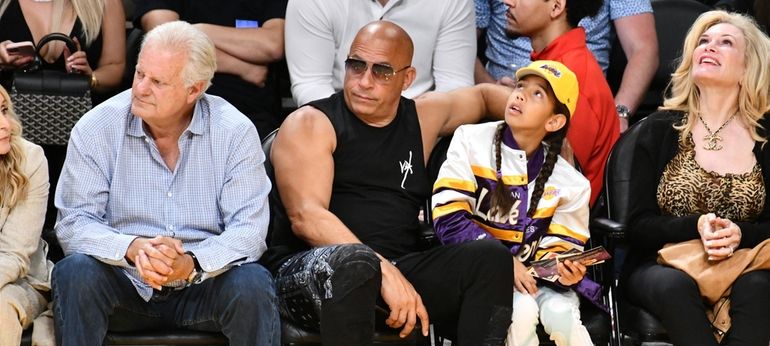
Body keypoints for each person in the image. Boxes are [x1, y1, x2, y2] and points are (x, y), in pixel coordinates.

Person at [266, 20, 514, 346]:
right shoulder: (311, 122)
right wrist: (381, 268)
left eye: (381, 71)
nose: (363, 80)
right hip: (309, 274)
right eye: (356, 65)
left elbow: (484, 98)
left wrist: (546, 115)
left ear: (406, 78)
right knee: (355, 264)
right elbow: (306, 216)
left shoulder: (421, 117)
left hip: (395, 269)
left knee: (489, 260)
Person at [43, 21, 292, 346]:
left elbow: (250, 231)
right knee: (74, 271)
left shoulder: (234, 131)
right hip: (123, 285)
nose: (141, 87)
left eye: (158, 81)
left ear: (195, 88)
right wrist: (133, 249)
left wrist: (192, 264)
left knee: (254, 280)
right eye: (140, 74)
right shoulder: (98, 126)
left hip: (203, 286)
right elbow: (72, 223)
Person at [432, 60, 620, 346]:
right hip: (480, 277)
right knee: (516, 311)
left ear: (554, 121)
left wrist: (564, 267)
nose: (519, 95)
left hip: (538, 281)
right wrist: (502, 262)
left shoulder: (571, 183)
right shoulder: (469, 139)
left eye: (537, 94)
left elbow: (560, 246)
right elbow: (447, 218)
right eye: (521, 86)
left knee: (558, 313)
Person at [625, 11, 770, 346]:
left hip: (746, 264)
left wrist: (741, 235)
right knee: (671, 285)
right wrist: (694, 225)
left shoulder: (766, 138)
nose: (708, 46)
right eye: (703, 40)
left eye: (725, 42)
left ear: (750, 63)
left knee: (759, 288)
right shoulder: (658, 130)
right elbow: (636, 226)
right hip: (664, 264)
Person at [0, 0, 126, 240]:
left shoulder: (104, 4)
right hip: (12, 129)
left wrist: (90, 76)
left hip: (79, 130)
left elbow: (115, 68)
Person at [500, 0, 619, 207]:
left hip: (556, 227)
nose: (507, 2)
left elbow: (558, 183)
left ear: (556, 7)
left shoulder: (572, 77)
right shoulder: (554, 64)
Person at [475, 0, 658, 131]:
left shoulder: (579, 80)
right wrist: (494, 91)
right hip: (500, 95)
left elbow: (643, 49)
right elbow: (457, 45)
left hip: (575, 104)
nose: (506, 2)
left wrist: (617, 115)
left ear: (556, 6)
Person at [135, 0, 288, 138]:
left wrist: (197, 30)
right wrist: (242, 67)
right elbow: (162, 41)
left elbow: (273, 44)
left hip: (252, 112)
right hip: (177, 108)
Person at [0, 86, 52, 346]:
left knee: (1, 307)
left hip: (22, 282)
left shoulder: (29, 158)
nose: (6, 125)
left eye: (5, 110)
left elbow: (16, 256)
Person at [284, 0, 476, 107]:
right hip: (339, 118)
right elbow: (311, 84)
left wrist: (413, 126)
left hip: (421, 121)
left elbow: (455, 87)